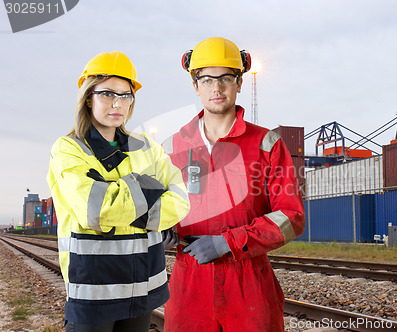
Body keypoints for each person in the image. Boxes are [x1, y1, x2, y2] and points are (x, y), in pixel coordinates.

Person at [162, 37, 305, 331]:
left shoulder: (266, 144)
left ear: (239, 83)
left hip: (249, 282)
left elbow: (291, 216)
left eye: (226, 78)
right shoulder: (170, 148)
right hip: (189, 284)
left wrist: (228, 242)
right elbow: (154, 210)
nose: (217, 87)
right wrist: (160, 227)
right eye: (207, 78)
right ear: (195, 84)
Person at [46, 51, 190, 331]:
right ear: (89, 97)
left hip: (144, 283)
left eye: (126, 95)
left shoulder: (146, 145)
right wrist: (151, 188)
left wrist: (123, 203)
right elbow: (97, 210)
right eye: (108, 94)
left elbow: (180, 200)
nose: (118, 103)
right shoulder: (69, 149)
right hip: (95, 288)